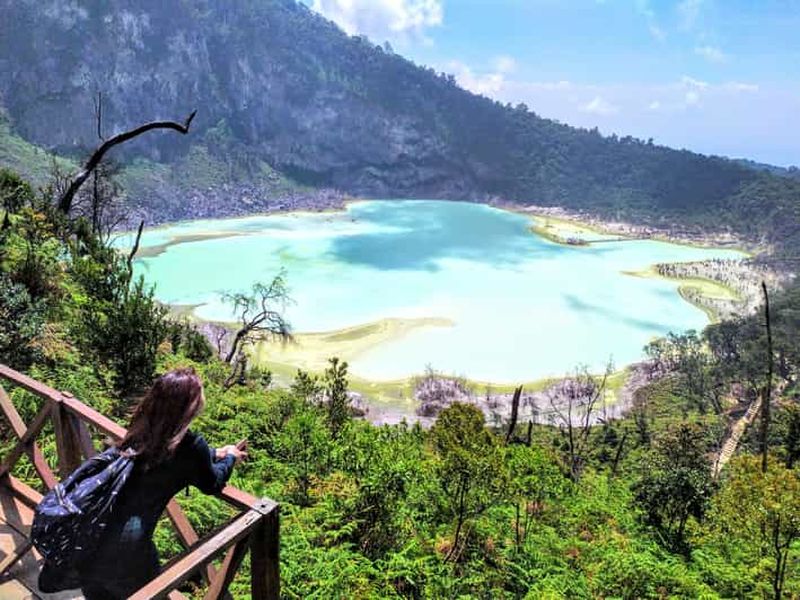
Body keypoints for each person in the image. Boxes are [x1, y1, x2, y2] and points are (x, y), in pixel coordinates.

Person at [78, 367, 247, 599]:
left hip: (93, 533)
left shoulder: (141, 425)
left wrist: (216, 452)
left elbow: (174, 453)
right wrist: (230, 458)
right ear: (190, 406)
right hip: (129, 550)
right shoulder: (191, 446)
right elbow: (212, 483)